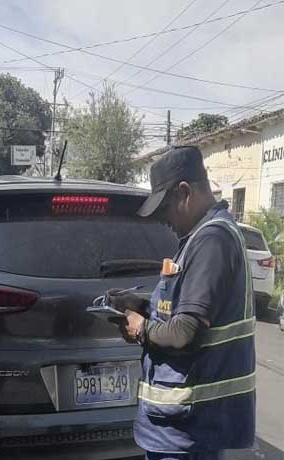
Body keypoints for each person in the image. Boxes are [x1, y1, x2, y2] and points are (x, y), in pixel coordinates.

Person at [107, 146, 255, 460]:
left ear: (184, 192)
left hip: (190, 428)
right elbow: (182, 307)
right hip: (180, 427)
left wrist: (140, 329)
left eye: (164, 209)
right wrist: (143, 305)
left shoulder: (211, 240)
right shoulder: (199, 238)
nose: (164, 220)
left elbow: (186, 330)